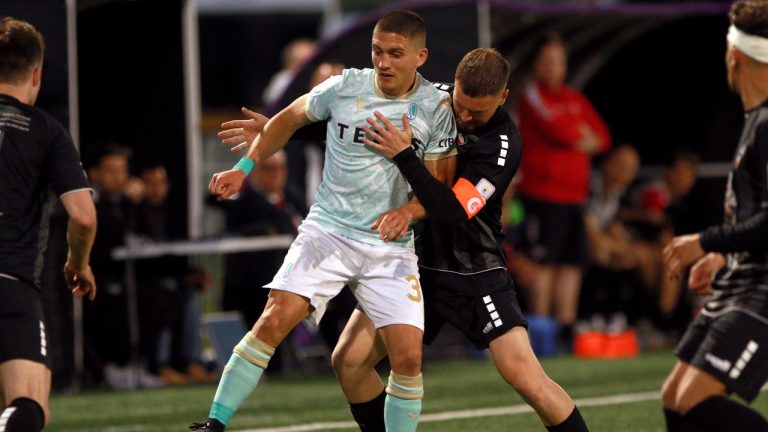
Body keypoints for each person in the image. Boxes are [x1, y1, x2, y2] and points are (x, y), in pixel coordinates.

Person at [191, 10, 457, 432]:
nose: (383, 62)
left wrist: (407, 211)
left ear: (420, 56)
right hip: (328, 231)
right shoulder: (344, 85)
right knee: (275, 317)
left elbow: (441, 189)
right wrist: (242, 168)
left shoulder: (436, 107)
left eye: (395, 53)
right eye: (377, 51)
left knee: (407, 358)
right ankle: (214, 422)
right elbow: (285, 121)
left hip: (388, 245)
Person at [335, 48, 589, 432]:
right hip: (413, 265)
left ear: (503, 97)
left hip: (474, 272)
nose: (465, 118)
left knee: (524, 376)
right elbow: (356, 112)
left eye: (478, 112)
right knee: (348, 361)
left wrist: (405, 157)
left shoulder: (503, 145)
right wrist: (280, 130)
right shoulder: (430, 97)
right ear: (451, 85)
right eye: (460, 105)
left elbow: (453, 210)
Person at [660, 1, 768, 430]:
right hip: (738, 281)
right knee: (675, 400)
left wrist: (704, 242)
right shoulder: (754, 119)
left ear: (734, 54)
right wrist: (722, 257)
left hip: (760, 291)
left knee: (694, 403)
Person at [0, 17, 97, 431]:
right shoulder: (45, 131)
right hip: (9, 282)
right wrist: (78, 262)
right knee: (28, 404)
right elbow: (82, 216)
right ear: (36, 73)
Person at [517, 32, 611, 349]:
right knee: (545, 264)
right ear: (537, 65)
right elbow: (563, 131)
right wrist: (578, 135)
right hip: (543, 196)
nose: (555, 67)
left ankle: (566, 332)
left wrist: (580, 136)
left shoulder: (574, 98)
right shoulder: (532, 96)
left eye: (559, 61)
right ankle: (542, 332)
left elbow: (602, 137)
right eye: (548, 61)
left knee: (572, 264)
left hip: (575, 197)